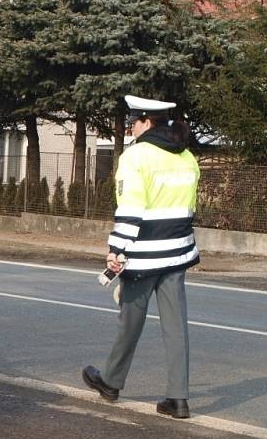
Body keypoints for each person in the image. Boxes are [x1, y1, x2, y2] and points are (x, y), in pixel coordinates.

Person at [82, 95, 200, 419]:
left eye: (132, 122)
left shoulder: (136, 156)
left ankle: (110, 382)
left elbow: (130, 210)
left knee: (129, 323)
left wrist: (116, 251)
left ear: (147, 122)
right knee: (176, 328)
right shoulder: (187, 156)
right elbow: (189, 209)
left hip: (144, 257)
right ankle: (178, 400)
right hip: (177, 254)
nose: (129, 128)